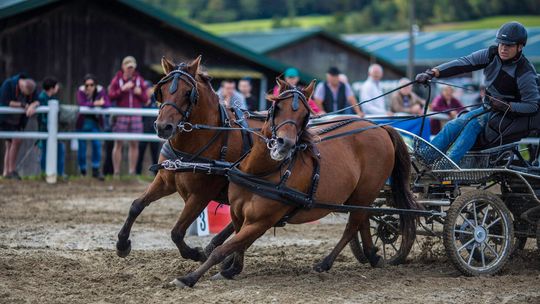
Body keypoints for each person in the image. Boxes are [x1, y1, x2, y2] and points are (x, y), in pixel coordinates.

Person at [416, 21, 540, 163]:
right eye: (501, 43)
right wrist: (433, 73)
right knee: (453, 125)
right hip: (488, 109)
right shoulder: (490, 54)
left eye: (509, 45)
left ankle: (446, 167)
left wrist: (507, 106)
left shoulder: (525, 71)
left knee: (472, 125)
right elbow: (463, 63)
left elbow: (532, 106)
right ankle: (423, 160)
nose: (503, 48)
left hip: (509, 116)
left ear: (520, 47)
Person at [108, 56, 148, 176]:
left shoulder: (139, 80)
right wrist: (122, 90)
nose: (130, 70)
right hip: (122, 114)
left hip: (136, 115)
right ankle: (116, 172)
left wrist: (139, 93)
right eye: (128, 67)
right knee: (118, 142)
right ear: (123, 67)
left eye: (132, 67)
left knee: (134, 143)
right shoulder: (117, 80)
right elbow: (110, 96)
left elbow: (146, 99)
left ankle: (132, 172)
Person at [0, 74, 39, 179]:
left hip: (18, 122)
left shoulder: (31, 87)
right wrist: (23, 105)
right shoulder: (8, 85)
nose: (26, 96)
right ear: (22, 87)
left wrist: (32, 105)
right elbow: (5, 102)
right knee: (16, 140)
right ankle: (11, 170)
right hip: (5, 120)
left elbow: (36, 100)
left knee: (9, 144)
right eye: (24, 93)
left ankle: (6, 172)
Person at [77, 74, 110, 180]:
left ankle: (95, 170)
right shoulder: (80, 92)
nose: (89, 87)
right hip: (82, 124)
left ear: (95, 85)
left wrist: (97, 103)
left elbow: (107, 104)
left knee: (97, 145)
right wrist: (96, 103)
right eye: (87, 85)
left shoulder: (100, 91)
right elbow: (81, 103)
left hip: (95, 123)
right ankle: (83, 171)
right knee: (82, 149)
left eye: (91, 85)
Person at [38, 77, 65, 179]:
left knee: (59, 150)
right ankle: (45, 172)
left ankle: (59, 173)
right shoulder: (42, 98)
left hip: (52, 130)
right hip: (46, 130)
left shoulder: (50, 98)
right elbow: (42, 117)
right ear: (52, 88)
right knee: (45, 153)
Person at [135, 81, 161, 175]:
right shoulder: (141, 101)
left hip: (154, 131)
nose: (147, 91)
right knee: (140, 154)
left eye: (148, 88)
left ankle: (156, 175)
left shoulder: (157, 100)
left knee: (155, 155)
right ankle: (137, 173)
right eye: (145, 89)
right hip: (143, 131)